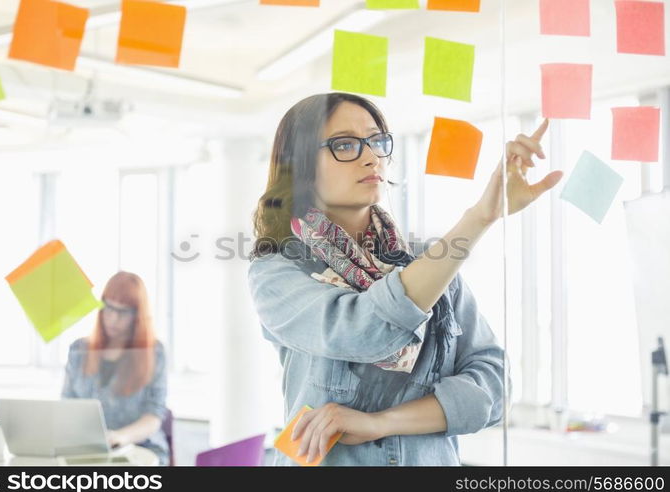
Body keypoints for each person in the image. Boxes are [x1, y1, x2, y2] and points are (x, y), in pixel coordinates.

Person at [247, 92, 563, 466]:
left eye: (377, 141)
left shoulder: (429, 265)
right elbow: (365, 331)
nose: (371, 157)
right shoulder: (279, 269)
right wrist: (478, 217)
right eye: (344, 144)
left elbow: (493, 387)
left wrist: (379, 423)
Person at [61, 271, 170, 465]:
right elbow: (67, 406)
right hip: (87, 451)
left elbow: (154, 416)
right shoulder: (79, 350)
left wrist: (121, 437)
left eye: (122, 312)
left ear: (137, 315)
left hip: (140, 448)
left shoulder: (154, 352)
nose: (113, 318)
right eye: (108, 308)